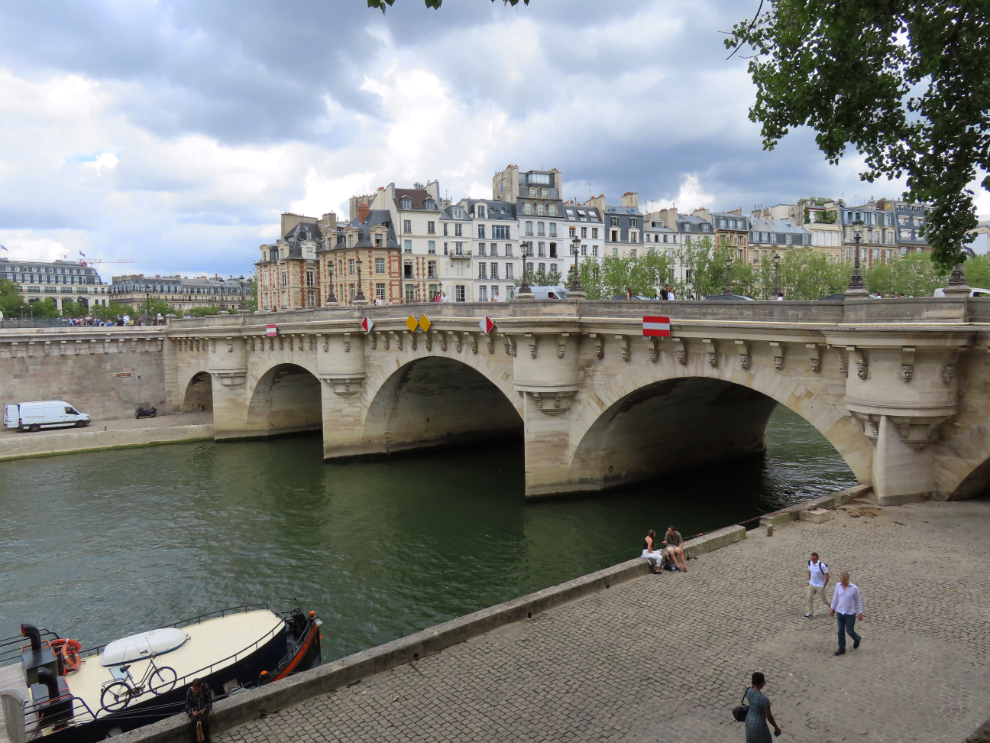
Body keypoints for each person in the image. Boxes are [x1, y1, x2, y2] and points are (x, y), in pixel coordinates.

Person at [830, 571, 863, 655]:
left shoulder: (854, 588)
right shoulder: (838, 586)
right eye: (841, 579)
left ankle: (857, 638)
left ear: (847, 579)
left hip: (850, 613)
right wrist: (832, 608)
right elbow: (835, 597)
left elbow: (858, 601)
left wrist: (860, 612)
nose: (842, 581)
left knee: (850, 631)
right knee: (840, 631)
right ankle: (841, 648)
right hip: (840, 612)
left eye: (843, 580)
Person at [743, 672, 781, 742]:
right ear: (761, 683)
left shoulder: (748, 691)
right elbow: (769, 716)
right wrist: (776, 727)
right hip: (759, 725)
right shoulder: (764, 699)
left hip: (748, 721)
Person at [805, 552, 830, 618]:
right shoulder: (810, 563)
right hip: (812, 584)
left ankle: (833, 608)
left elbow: (827, 576)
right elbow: (810, 571)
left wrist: (824, 585)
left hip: (820, 585)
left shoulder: (821, 565)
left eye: (814, 559)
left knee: (824, 600)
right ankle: (810, 613)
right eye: (811, 559)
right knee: (809, 598)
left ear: (818, 558)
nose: (812, 560)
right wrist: (809, 580)